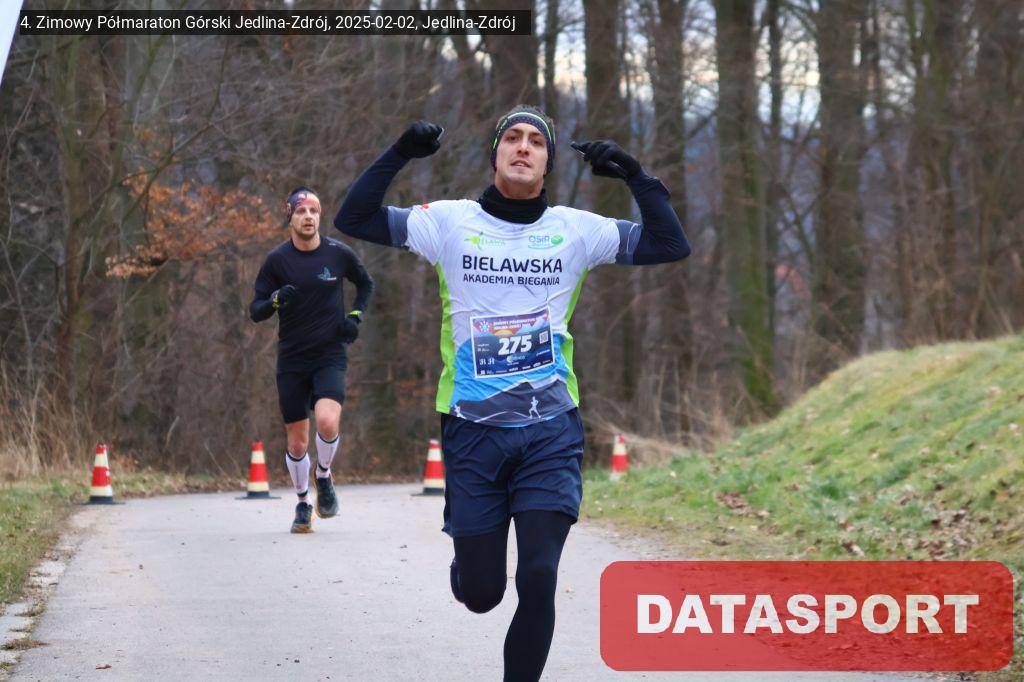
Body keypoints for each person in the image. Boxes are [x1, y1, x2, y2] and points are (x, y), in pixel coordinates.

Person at [335, 106, 689, 680]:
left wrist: (635, 176)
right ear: (496, 154)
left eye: (536, 142)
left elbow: (669, 243)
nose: (524, 147)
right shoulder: (449, 222)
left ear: (547, 163)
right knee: (482, 594)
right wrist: (399, 153)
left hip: (550, 428)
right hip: (472, 427)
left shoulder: (576, 230)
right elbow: (355, 217)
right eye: (513, 138)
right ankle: (468, 561)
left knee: (540, 577)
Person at [250, 187, 374, 533]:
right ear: (290, 216)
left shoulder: (338, 253)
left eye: (314, 211)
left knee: (328, 423)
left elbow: (365, 284)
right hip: (292, 360)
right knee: (297, 443)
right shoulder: (277, 260)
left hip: (329, 354)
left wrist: (355, 317)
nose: (308, 217)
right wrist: (275, 300)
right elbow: (256, 310)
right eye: (301, 211)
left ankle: (324, 474)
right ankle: (304, 503)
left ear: (320, 216)